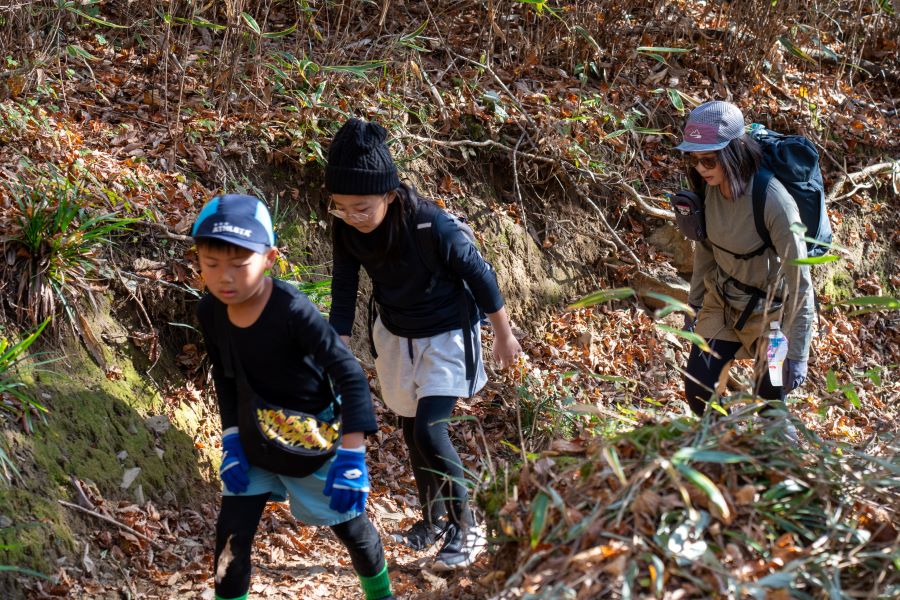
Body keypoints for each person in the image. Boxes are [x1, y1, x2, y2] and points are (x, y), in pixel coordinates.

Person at [326, 118, 522, 571]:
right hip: (395, 335)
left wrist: (504, 335)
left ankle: (467, 526)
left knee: (431, 430)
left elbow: (482, 277)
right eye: (341, 207)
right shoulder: (346, 229)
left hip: (448, 335)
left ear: (389, 195)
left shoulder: (432, 226)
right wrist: (334, 347)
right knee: (410, 429)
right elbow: (342, 288)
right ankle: (432, 519)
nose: (352, 217)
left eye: (362, 208)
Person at [192, 194, 393, 600]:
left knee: (351, 527)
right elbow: (225, 378)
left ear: (269, 258)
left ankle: (381, 594)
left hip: (311, 437)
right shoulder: (210, 311)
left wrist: (353, 457)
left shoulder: (292, 310)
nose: (224, 278)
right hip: (253, 435)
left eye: (239, 264)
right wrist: (231, 439)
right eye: (211, 264)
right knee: (232, 534)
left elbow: (349, 373)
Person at [675, 101, 814, 430]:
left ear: (734, 151)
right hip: (723, 301)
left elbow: (801, 283)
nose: (700, 168)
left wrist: (798, 353)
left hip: (774, 317)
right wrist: (694, 306)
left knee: (770, 405)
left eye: (709, 159)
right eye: (694, 159)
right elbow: (706, 251)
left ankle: (783, 465)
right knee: (698, 389)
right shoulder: (706, 189)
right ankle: (727, 446)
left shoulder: (773, 200)